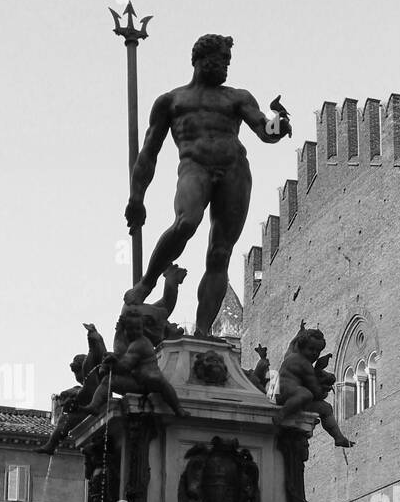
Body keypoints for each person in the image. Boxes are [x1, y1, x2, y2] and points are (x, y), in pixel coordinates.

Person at [123, 34, 291, 337]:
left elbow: (264, 130)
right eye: (220, 60)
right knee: (186, 222)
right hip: (194, 167)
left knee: (219, 254)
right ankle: (148, 281)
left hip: (234, 170)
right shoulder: (171, 101)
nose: (226, 67)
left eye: (228, 62)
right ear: (200, 60)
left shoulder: (237, 97)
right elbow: (148, 153)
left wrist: (278, 123)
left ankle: (202, 334)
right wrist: (137, 198)